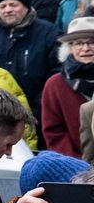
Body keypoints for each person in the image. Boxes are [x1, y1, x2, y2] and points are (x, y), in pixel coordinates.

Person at [40, 15, 94, 154]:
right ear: (69, 48)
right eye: (78, 43)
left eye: (92, 42)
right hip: (77, 168)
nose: (85, 48)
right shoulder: (55, 84)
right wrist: (77, 164)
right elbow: (54, 132)